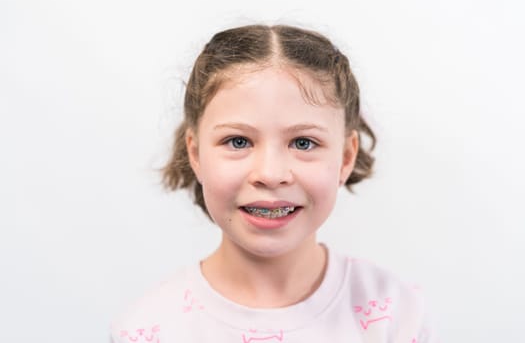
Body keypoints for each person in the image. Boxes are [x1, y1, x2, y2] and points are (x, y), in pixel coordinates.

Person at [110, 24, 437, 343]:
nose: (269, 173)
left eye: (304, 143)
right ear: (195, 154)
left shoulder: (395, 315)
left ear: (346, 157)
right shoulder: (148, 328)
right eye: (238, 142)